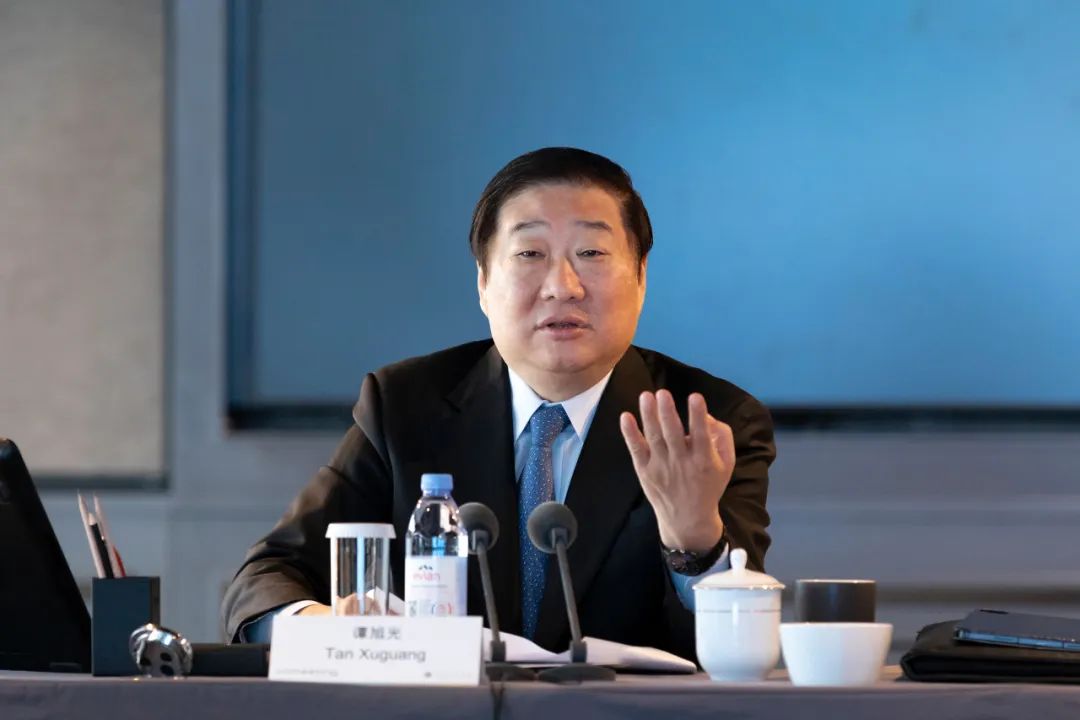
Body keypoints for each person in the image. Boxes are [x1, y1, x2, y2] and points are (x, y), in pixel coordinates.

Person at [221, 147, 775, 661]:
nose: (562, 286)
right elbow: (267, 579)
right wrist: (327, 630)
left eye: (591, 253)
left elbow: (737, 653)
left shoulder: (709, 421)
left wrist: (694, 542)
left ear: (641, 277)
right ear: (484, 282)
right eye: (530, 253)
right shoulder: (406, 406)